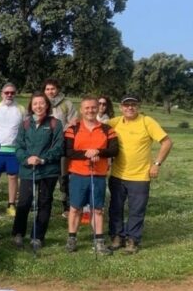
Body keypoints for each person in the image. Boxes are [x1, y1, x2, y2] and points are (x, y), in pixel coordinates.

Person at [107, 96, 173, 254]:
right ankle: (117, 237)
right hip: (117, 175)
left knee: (136, 210)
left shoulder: (146, 121)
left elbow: (167, 142)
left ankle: (132, 240)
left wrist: (156, 164)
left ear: (138, 107)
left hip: (140, 176)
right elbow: (94, 128)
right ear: (121, 108)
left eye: (133, 105)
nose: (130, 108)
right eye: (126, 105)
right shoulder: (114, 122)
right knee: (115, 208)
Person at [64, 96, 119, 255]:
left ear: (99, 109)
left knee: (98, 209)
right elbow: (68, 152)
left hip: (98, 174)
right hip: (77, 174)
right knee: (75, 208)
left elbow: (114, 150)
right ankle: (72, 239)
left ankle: (99, 242)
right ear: (81, 110)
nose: (90, 110)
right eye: (87, 108)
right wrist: (88, 154)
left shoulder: (107, 129)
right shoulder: (72, 129)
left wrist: (99, 152)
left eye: (93, 107)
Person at [11, 92, 64, 251]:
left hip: (48, 170)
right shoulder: (25, 124)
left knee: (44, 203)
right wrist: (27, 159)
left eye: (41, 103)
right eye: (35, 104)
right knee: (24, 202)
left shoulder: (55, 123)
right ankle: (18, 233)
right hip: (28, 169)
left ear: (47, 105)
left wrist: (43, 159)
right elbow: (19, 146)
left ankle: (37, 236)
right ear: (31, 106)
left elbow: (59, 147)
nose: (38, 106)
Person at [0, 83, 26, 217]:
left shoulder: (21, 109)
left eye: (12, 93)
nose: (9, 95)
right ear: (2, 93)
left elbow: (25, 128)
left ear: (15, 94)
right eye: (7, 92)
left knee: (13, 177)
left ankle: (11, 204)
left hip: (13, 149)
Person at [43, 78, 78, 216]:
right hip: (45, 144)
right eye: (47, 89)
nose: (50, 91)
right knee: (45, 174)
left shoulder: (67, 103)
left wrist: (60, 132)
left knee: (64, 175)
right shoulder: (41, 102)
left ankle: (67, 206)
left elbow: (73, 122)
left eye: (52, 88)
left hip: (63, 143)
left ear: (58, 89)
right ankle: (44, 204)